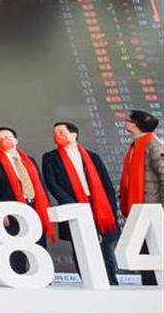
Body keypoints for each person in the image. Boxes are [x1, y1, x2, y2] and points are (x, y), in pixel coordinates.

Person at [42, 121, 121, 285]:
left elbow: (106, 184)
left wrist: (112, 209)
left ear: (73, 135)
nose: (57, 135)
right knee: (79, 245)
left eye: (61, 132)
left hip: (98, 205)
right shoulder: (50, 157)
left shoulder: (92, 157)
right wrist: (71, 204)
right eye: (55, 133)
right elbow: (51, 183)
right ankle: (87, 280)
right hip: (72, 205)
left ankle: (111, 281)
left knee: (104, 245)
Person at [0, 127, 54, 273]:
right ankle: (18, 275)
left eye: (7, 137)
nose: (4, 140)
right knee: (16, 245)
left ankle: (41, 274)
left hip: (35, 205)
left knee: (39, 243)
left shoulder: (29, 160)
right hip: (11, 210)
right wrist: (0, 212)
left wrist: (46, 206)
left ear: (16, 140)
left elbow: (40, 184)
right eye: (0, 138)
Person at [120, 110, 163, 285]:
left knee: (154, 250)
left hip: (152, 208)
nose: (125, 123)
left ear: (134, 125)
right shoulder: (135, 145)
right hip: (140, 209)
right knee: (145, 251)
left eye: (128, 120)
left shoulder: (154, 145)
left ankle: (154, 286)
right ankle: (149, 285)